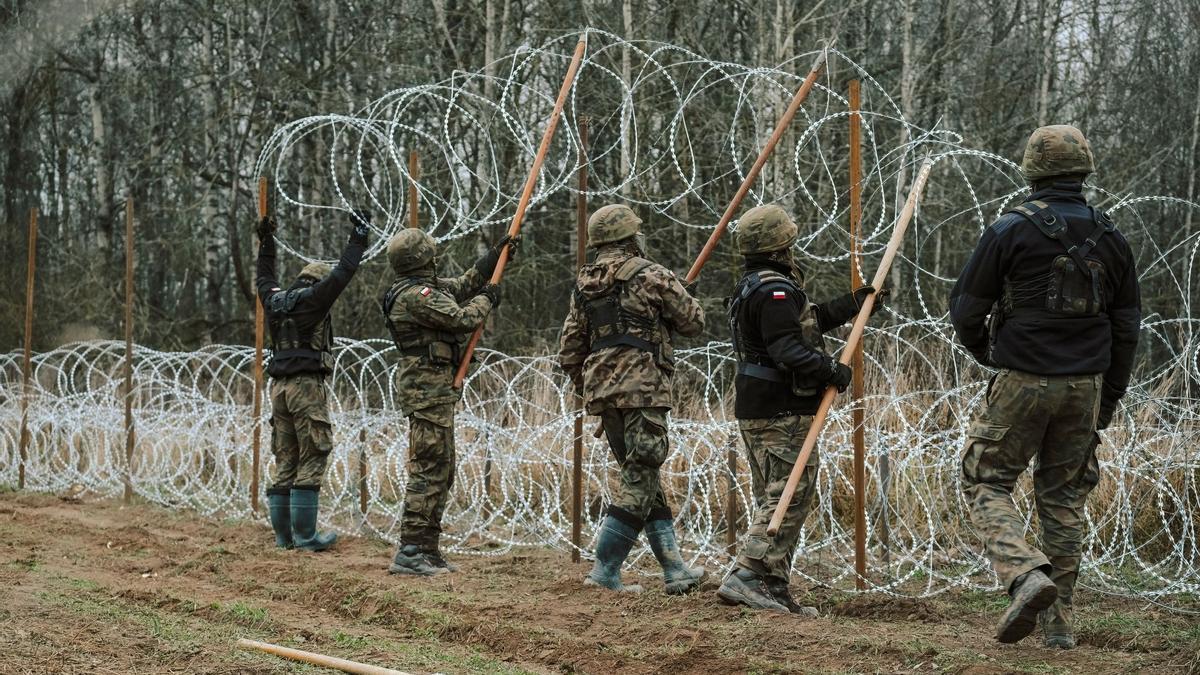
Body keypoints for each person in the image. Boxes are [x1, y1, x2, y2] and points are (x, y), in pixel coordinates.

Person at [950, 124, 1141, 647]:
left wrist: (989, 353)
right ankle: (1059, 630)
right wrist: (1109, 399)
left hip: (1024, 378)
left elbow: (966, 309)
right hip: (1087, 385)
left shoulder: (1010, 229)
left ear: (1032, 171)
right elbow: (1127, 329)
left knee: (983, 480)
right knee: (1062, 498)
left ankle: (1023, 573)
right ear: (1085, 170)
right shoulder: (1113, 236)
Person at [716, 204, 885, 614]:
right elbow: (787, 348)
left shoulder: (754, 286)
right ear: (782, 246)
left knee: (775, 495)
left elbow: (803, 324)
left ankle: (772, 587)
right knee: (788, 495)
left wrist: (853, 305)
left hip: (760, 405)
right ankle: (748, 574)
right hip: (780, 408)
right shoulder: (775, 290)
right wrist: (833, 370)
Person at [558, 203, 706, 594]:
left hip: (603, 393)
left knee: (642, 475)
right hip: (644, 389)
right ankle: (605, 570)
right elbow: (693, 323)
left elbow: (570, 351)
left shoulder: (583, 284)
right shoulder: (653, 274)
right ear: (631, 237)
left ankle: (675, 569)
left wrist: (592, 388)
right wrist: (680, 298)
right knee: (641, 473)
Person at [381, 227, 514, 575]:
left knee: (443, 468)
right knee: (428, 469)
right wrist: (490, 296)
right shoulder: (415, 295)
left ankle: (427, 548)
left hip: (435, 391)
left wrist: (492, 260)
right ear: (423, 258)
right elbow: (461, 318)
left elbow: (458, 286)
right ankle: (410, 551)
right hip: (427, 391)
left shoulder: (422, 289)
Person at [256, 209, 369, 552]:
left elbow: (264, 277)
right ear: (317, 283)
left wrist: (266, 242)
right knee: (314, 452)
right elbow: (344, 272)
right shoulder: (315, 300)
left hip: (278, 389)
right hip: (306, 386)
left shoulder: (274, 300)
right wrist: (359, 237)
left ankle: (283, 538)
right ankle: (306, 537)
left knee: (285, 457)